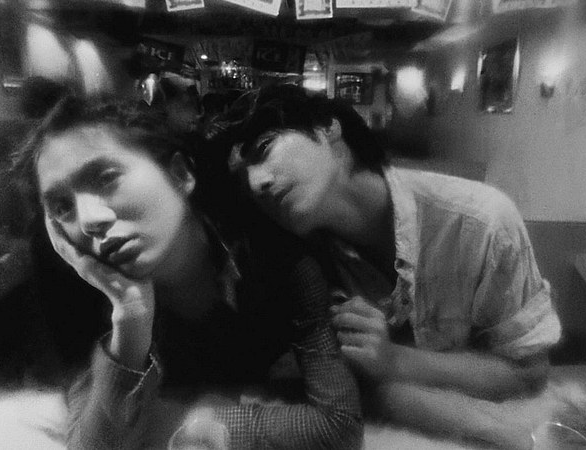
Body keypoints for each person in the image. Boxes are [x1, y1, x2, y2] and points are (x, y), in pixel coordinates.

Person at [9, 94, 362, 449]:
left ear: (180, 175)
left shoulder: (277, 261)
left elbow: (337, 424)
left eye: (106, 177)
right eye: (62, 207)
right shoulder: (89, 299)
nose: (88, 220)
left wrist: (191, 422)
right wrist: (130, 318)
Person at [225, 85, 563, 449]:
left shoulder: (481, 223)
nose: (256, 183)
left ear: (328, 128)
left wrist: (394, 360)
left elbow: (529, 373)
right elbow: (336, 400)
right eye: (244, 179)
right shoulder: (299, 260)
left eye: (264, 149)